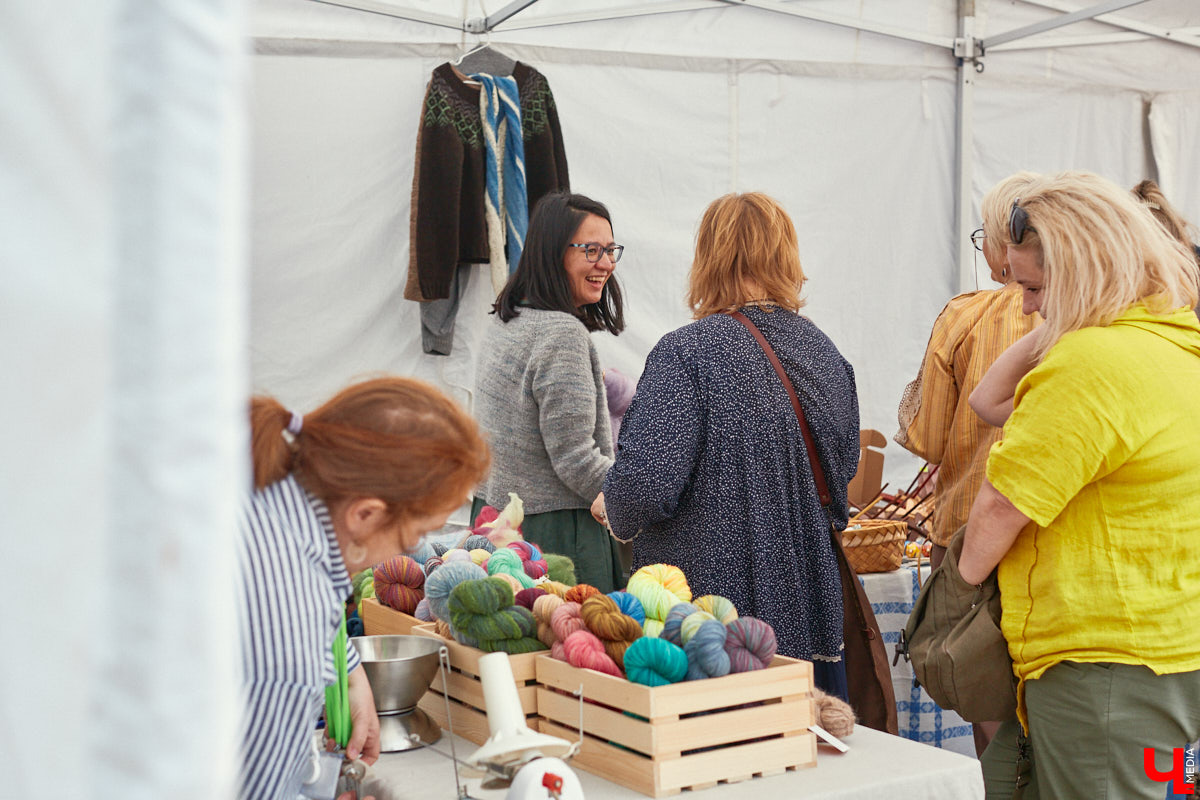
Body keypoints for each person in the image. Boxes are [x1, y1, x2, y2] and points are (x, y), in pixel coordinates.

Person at [958, 171, 1200, 799]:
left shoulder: (1093, 363)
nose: (1028, 305)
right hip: (1163, 649)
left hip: (1101, 663)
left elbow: (999, 509)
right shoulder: (1173, 341)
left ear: (1083, 272)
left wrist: (957, 597)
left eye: (1035, 287)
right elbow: (993, 403)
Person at [597, 192, 860, 699]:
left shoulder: (687, 352)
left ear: (708, 259)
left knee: (717, 763)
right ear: (786, 258)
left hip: (712, 619)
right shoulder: (825, 352)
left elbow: (647, 482)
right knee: (803, 755)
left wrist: (615, 506)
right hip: (809, 601)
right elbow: (842, 474)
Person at [238, 377, 489, 800]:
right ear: (366, 514)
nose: (410, 551)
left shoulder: (263, 493)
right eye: (412, 535)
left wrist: (350, 673)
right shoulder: (289, 616)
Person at [473, 191, 627, 593]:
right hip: (557, 541)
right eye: (591, 250)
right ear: (553, 253)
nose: (606, 263)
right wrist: (634, 495)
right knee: (572, 654)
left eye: (611, 250)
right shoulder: (561, 335)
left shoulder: (508, 317)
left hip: (499, 523)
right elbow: (576, 459)